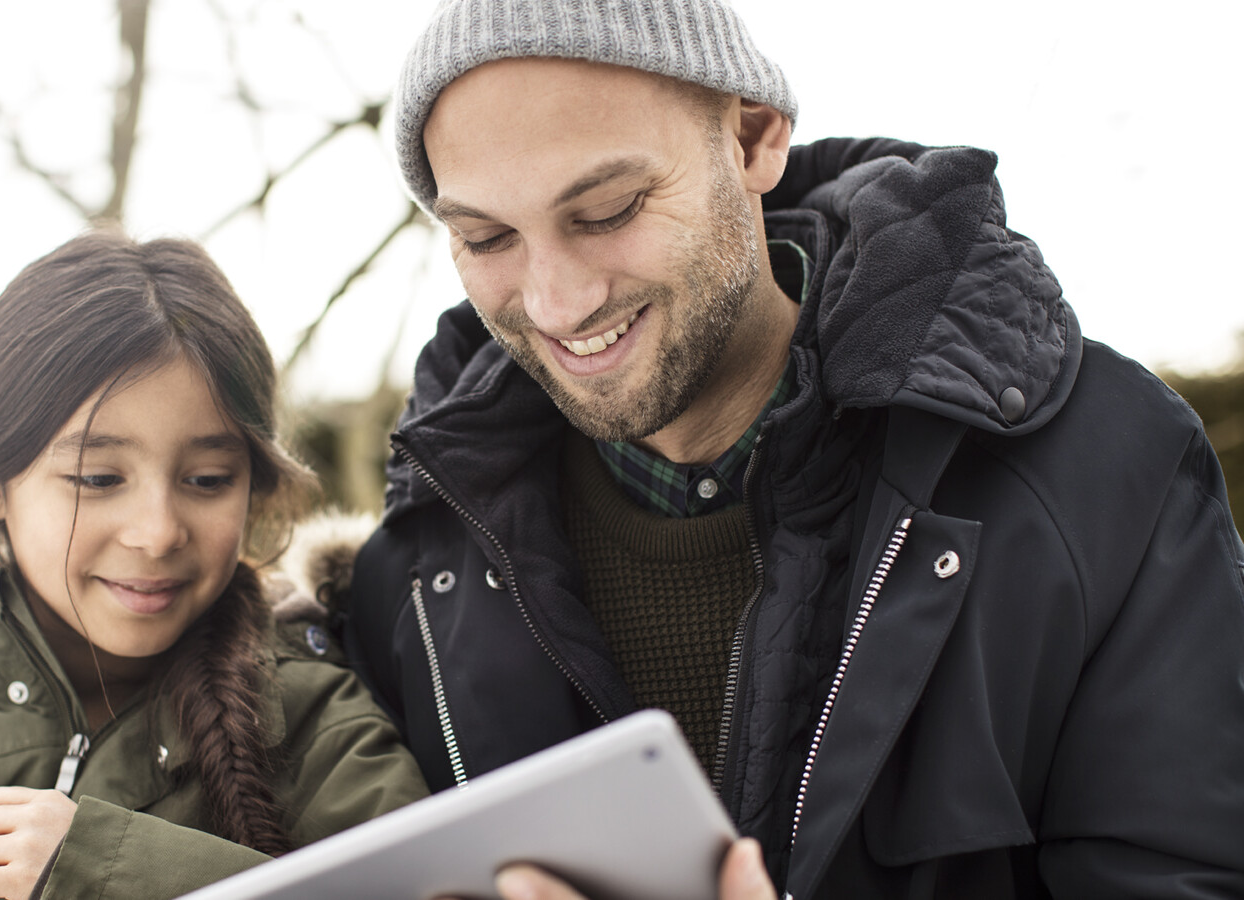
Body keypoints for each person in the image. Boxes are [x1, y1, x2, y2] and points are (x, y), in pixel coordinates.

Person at [340, 0, 1244, 897]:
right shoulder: (413, 580)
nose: (556, 302)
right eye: (485, 237)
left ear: (752, 138)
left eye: (608, 209)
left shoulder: (1106, 474)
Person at [0, 231, 427, 900]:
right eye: (97, 479)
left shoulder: (320, 725)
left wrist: (108, 872)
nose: (157, 533)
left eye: (209, 478)